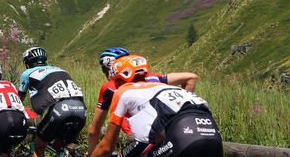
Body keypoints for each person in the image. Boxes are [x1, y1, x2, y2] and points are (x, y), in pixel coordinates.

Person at [91, 55, 222, 157]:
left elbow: (106, 147)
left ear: (118, 79)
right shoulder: (163, 86)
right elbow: (157, 136)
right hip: (213, 136)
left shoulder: (123, 91)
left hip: (182, 135)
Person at [18, 47, 86, 157]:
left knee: (39, 148)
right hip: (81, 110)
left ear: (27, 62)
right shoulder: (61, 70)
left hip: (59, 110)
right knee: (60, 145)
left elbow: (19, 100)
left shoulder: (28, 73)